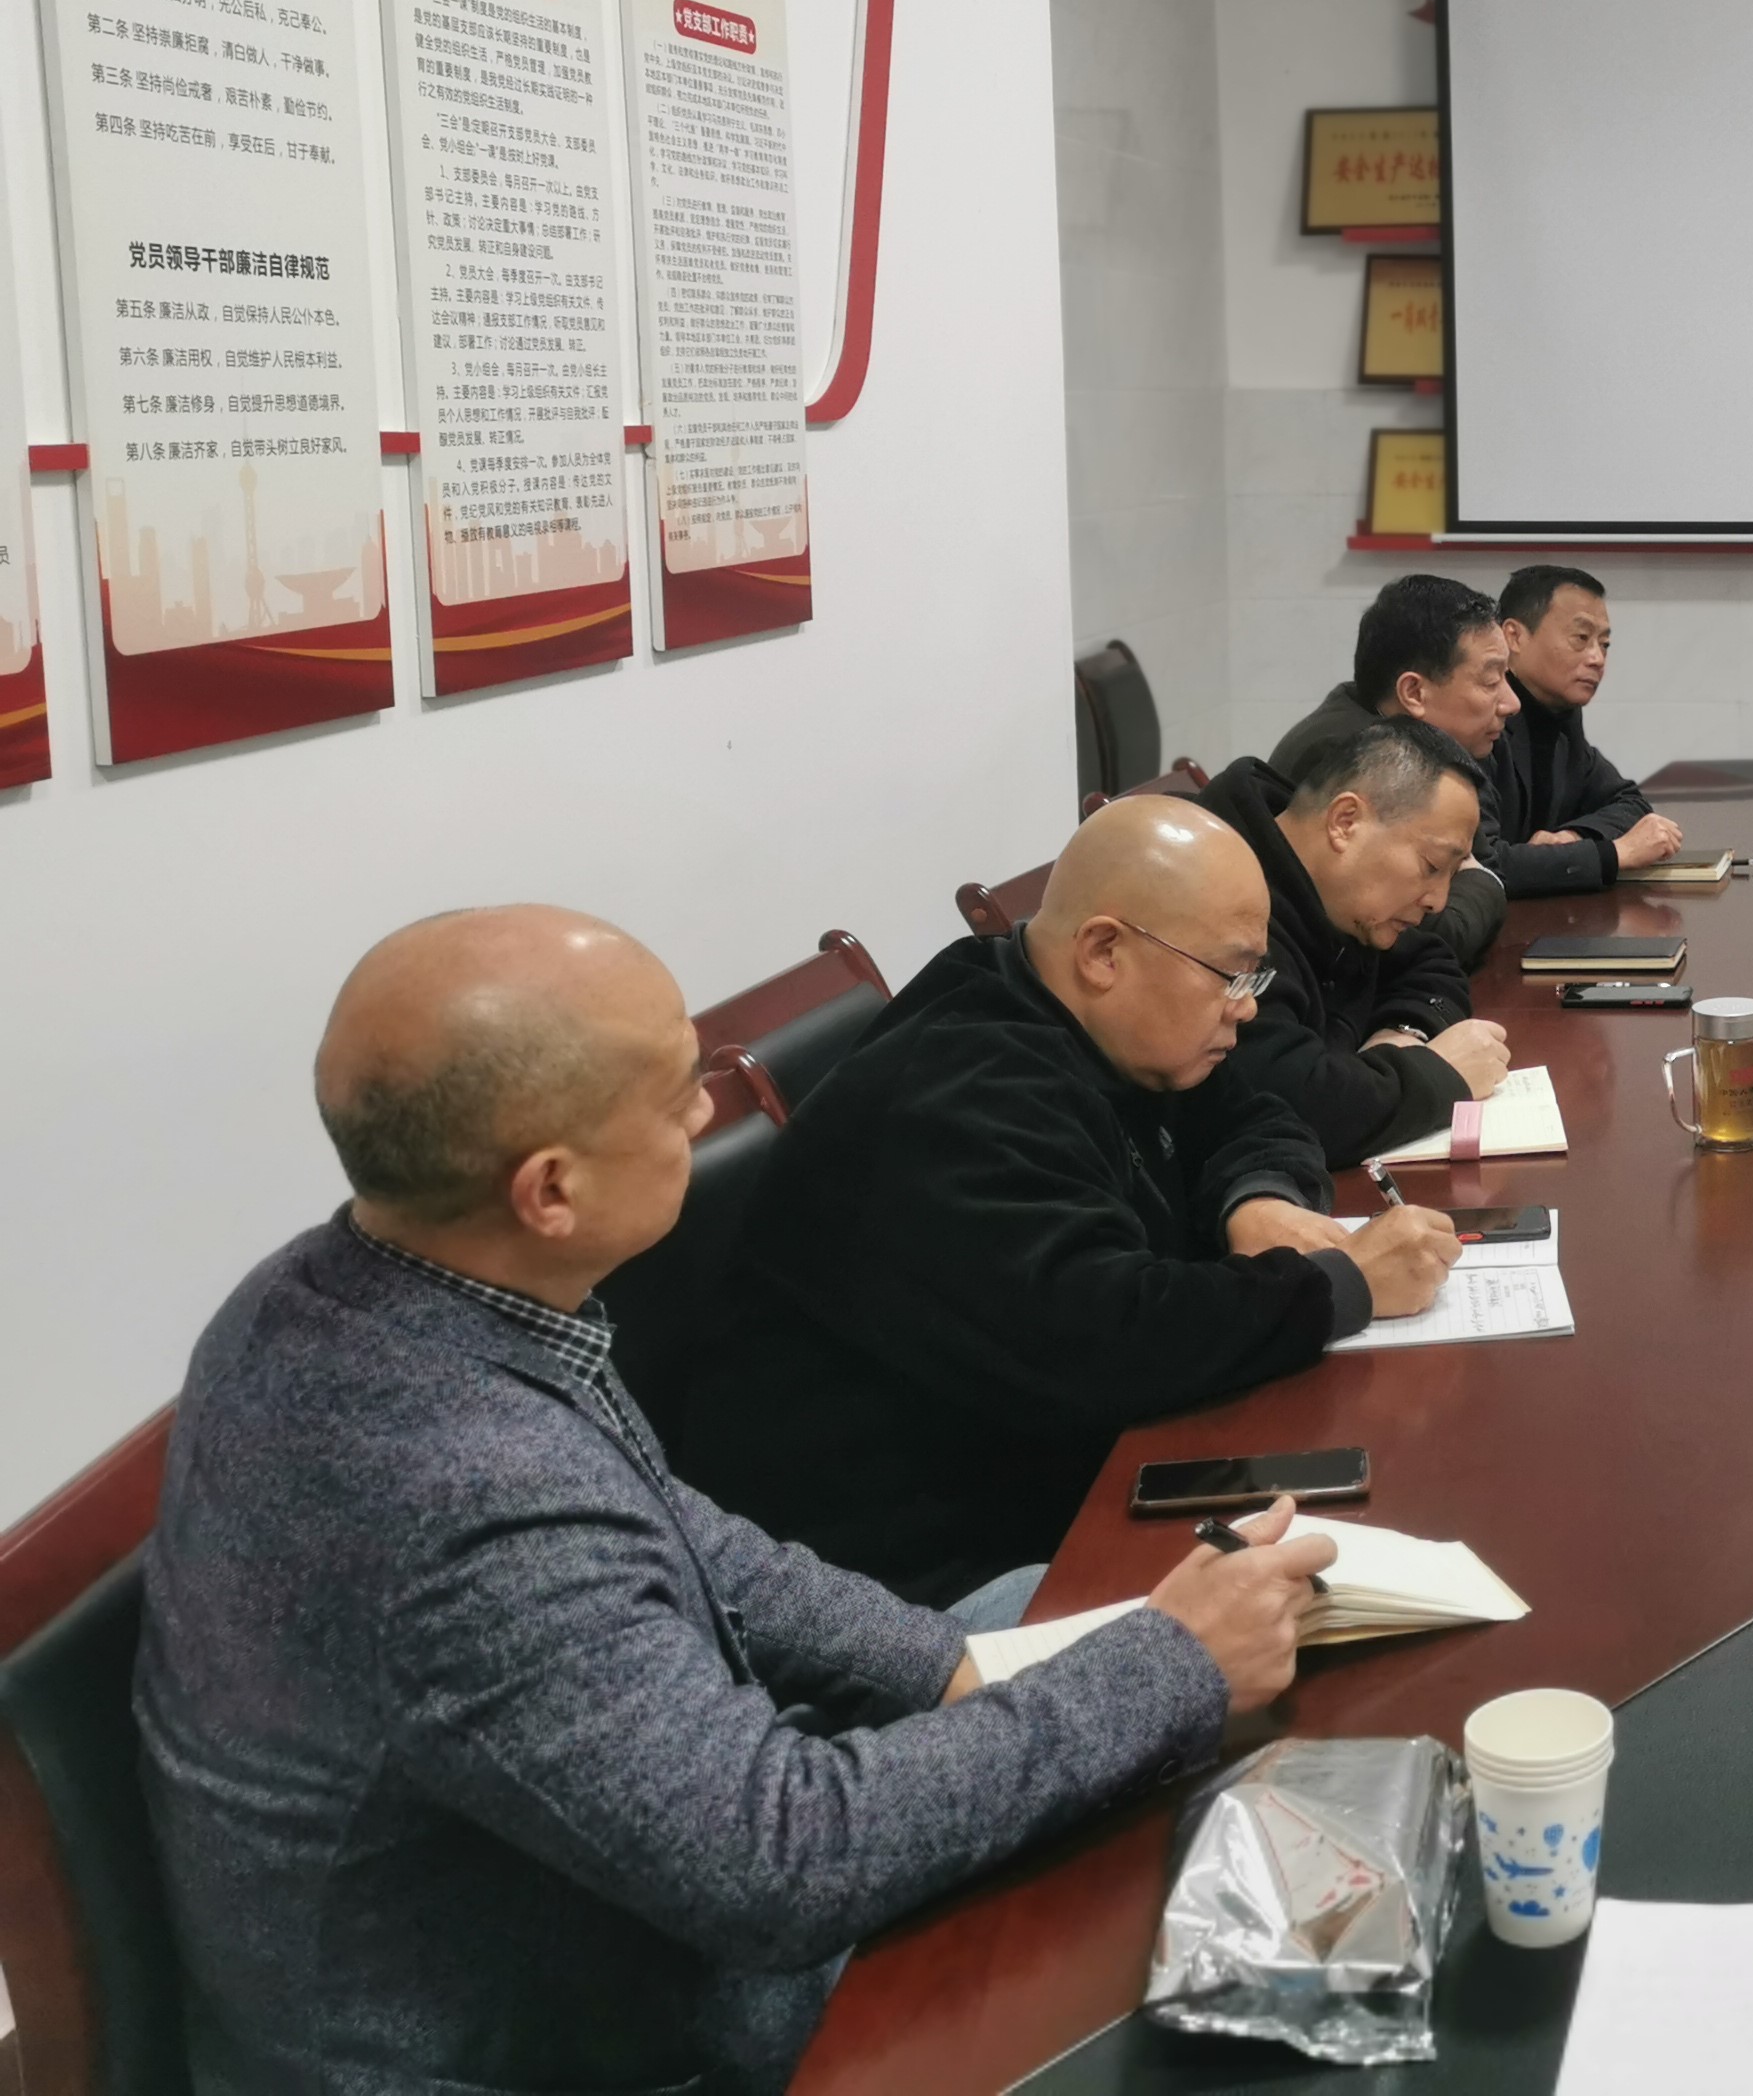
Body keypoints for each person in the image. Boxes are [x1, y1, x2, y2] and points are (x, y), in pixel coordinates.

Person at [136, 906, 1345, 2096]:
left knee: (1067, 1623)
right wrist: (1168, 1669)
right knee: (1208, 1942)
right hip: (574, 2036)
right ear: (549, 1190)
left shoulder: (346, 1286)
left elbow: (674, 1523)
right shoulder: (468, 1497)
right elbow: (781, 1866)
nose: (707, 1115)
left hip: (631, 1885)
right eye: (675, 1096)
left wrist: (949, 1666)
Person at [677, 798, 1456, 1612]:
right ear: (1104, 952)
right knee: (1306, 1614)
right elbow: (1113, 1339)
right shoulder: (961, 1091)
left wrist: (1253, 1199)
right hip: (907, 1584)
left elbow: (1258, 1116)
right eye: (1231, 975)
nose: (1248, 1006)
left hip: (1046, 1473)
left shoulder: (1109, 1023)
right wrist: (1340, 1284)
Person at [1195, 715, 1517, 1166]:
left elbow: (1432, 961)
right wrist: (1439, 1075)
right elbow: (1288, 1102)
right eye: (1430, 866)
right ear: (1345, 822)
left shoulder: (1343, 895)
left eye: (1452, 873)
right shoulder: (1221, 906)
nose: (1439, 901)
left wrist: (1402, 1033)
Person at [1272, 573, 1520, 967]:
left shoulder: (1437, 748)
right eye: (1491, 681)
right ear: (1414, 692)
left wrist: (1479, 875)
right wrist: (1479, 880)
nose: (1511, 702)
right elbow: (1436, 939)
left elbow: (1486, 867)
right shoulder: (1348, 754)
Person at [1491, 563, 1688, 891]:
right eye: (1581, 638)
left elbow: (1629, 802)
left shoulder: (1561, 716)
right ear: (1515, 637)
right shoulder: (1482, 718)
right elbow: (1481, 864)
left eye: (1604, 644)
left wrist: (1573, 837)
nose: (1597, 658)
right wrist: (1612, 854)